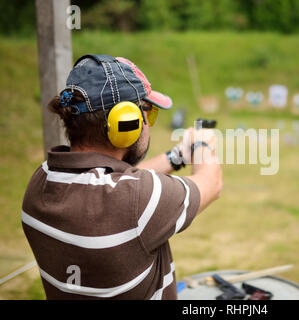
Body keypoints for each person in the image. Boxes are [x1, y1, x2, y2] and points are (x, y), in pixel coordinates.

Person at [21, 54, 222, 299]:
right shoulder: (137, 200)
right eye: (149, 114)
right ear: (126, 123)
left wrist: (178, 155)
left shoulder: (40, 182)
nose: (149, 123)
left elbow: (118, 183)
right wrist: (201, 143)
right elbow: (211, 183)